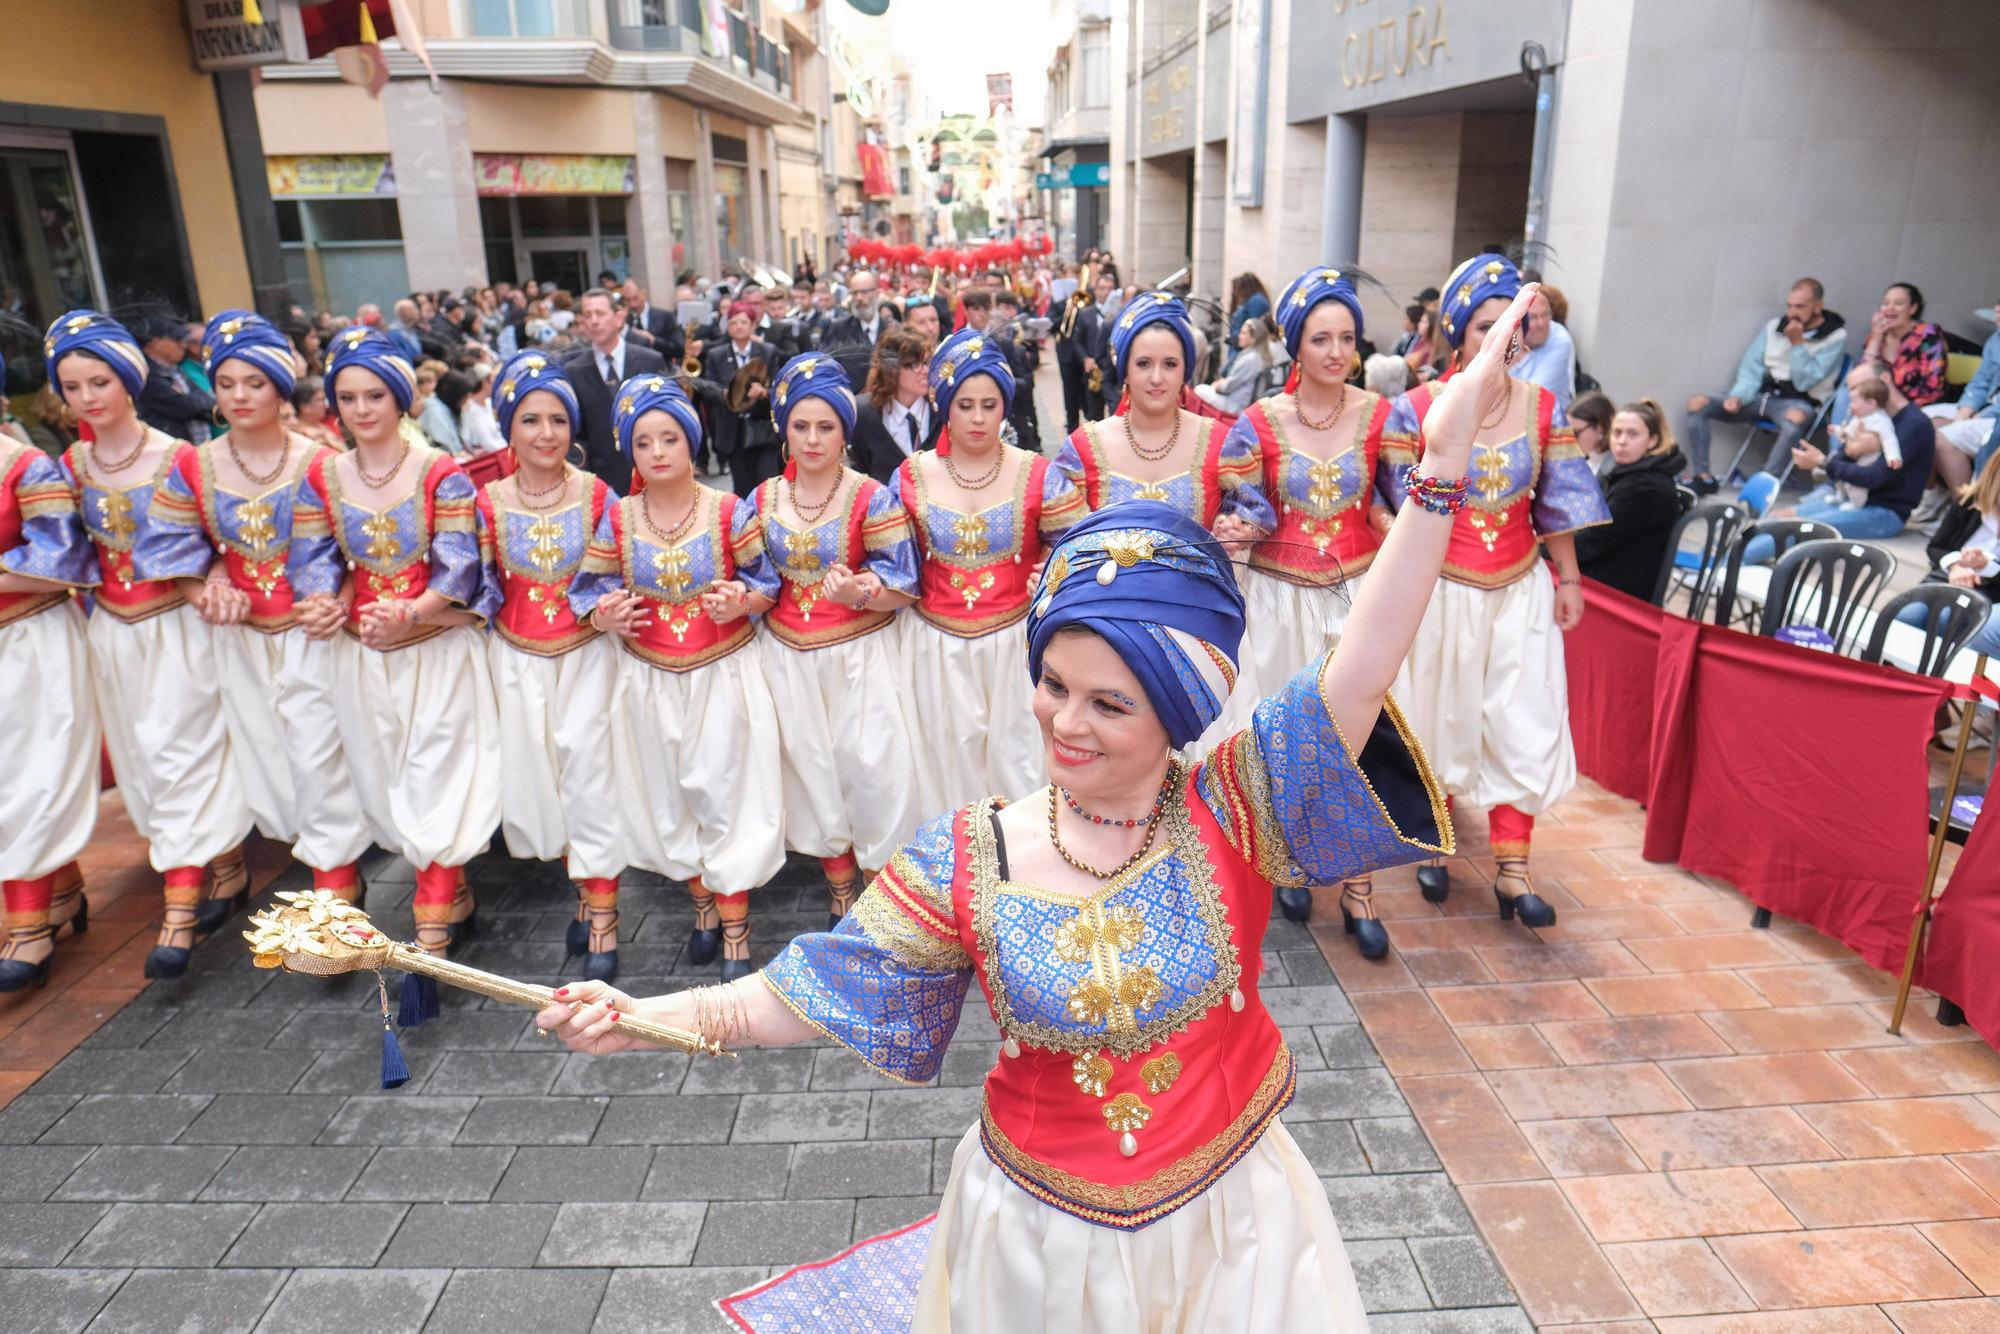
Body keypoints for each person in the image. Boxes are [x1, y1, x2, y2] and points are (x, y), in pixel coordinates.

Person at [531, 287, 1536, 1325]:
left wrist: (1440, 468)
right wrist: (646, 1018)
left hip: (1234, 1223)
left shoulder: (1236, 805)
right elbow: (793, 996)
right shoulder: (970, 853)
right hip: (1034, 1238)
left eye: (1108, 701)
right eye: (1052, 683)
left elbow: (1362, 663)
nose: (1064, 723)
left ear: (1179, 711)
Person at [1375, 254, 1611, 922]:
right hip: (1439, 592)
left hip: (1518, 588)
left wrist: (1567, 578)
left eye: (1513, 328)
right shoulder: (1414, 410)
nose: (1500, 341)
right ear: (1457, 332)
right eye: (1486, 327)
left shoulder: (1542, 408)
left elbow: (1557, 505)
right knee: (1439, 715)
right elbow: (1394, 512)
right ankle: (1431, 845)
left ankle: (1513, 867)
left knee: (1521, 719)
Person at [134, 310, 371, 912]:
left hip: (312, 635)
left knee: (320, 756)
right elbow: (169, 545)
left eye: (255, 382)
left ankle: (336, 885)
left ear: (279, 386)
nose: (240, 395)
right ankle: (315, 863)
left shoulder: (320, 461)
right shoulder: (193, 463)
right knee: (269, 757)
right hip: (237, 639)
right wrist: (206, 588)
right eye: (227, 382)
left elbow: (357, 550)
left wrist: (335, 605)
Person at [44, 311, 253, 978]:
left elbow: (224, 543)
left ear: (129, 379)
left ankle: (181, 907)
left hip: (177, 627)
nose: (87, 398)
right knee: (141, 760)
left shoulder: (180, 457)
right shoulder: (69, 465)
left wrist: (216, 575)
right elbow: (64, 551)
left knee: (183, 749)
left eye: (99, 381)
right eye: (72, 388)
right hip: (110, 631)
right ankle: (224, 866)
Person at [289, 328, 499, 958]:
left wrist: (412, 611)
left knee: (437, 772)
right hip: (364, 654)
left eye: (375, 395)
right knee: (384, 778)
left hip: (435, 649)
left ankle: (431, 914)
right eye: (347, 397)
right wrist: (324, 600)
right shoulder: (323, 475)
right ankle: (450, 887)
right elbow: (314, 556)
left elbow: (461, 566)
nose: (360, 410)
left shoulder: (440, 471)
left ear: (403, 398)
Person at [570, 375, 786, 982]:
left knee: (726, 797)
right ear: (630, 452)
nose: (659, 452)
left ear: (693, 443)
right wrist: (603, 613)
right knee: (671, 797)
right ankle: (702, 909)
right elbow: (585, 589)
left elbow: (767, 583)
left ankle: (738, 934)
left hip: (722, 677)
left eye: (670, 438)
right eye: (644, 442)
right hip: (648, 682)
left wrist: (740, 602)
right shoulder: (619, 518)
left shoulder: (727, 510)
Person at [1210, 266, 1396, 940]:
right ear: (1295, 344)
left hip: (1357, 598)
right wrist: (1236, 532)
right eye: (1322, 338)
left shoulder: (1381, 416)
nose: (1338, 352)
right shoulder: (1259, 422)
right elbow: (1245, 511)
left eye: (1348, 337)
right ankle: (1287, 864)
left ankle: (1359, 885)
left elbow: (1392, 508)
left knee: (1361, 733)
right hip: (1277, 597)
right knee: (1284, 734)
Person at [733, 355, 922, 936]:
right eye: (801, 426)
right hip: (787, 658)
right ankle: (839, 886)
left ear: (845, 431)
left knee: (872, 770)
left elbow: (905, 582)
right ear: (783, 430)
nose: (813, 439)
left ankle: (880, 888)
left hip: (861, 658)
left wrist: (863, 589)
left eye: (827, 427)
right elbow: (755, 581)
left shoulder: (872, 497)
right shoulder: (761, 500)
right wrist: (737, 600)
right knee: (811, 773)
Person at [471, 350, 626, 980]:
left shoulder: (599, 496)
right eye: (530, 420)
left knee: (590, 781)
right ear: (508, 427)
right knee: (542, 788)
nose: (546, 434)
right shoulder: (484, 501)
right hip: (514, 662)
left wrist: (614, 611)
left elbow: (619, 573)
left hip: (588, 658)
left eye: (558, 420)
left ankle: (607, 915)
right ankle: (581, 892)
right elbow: (474, 588)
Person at [896, 329, 1087, 814]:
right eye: (964, 404)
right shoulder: (911, 475)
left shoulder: (1038, 473)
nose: (978, 418)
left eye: (989, 404)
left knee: (1019, 762)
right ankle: (954, 873)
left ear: (1006, 404)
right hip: (935, 647)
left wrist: (1052, 574)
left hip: (1016, 645)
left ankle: (1018, 872)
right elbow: (892, 561)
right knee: (944, 761)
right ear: (944, 405)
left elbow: (1082, 550)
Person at [0, 419, 99, 990]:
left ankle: (30, 924)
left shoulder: (28, 466)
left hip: (27, 641)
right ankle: (59, 892)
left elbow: (64, 559)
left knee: (27, 777)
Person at [1055, 290, 1273, 544]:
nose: (1156, 378)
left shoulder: (1220, 442)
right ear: (1124, 370)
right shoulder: (1084, 448)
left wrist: (1237, 530)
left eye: (1170, 364)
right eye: (1144, 364)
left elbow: (1257, 512)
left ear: (1185, 372)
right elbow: (1061, 540)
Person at [1681, 278, 1848, 492]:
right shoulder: (1773, 328)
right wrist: (1739, 396)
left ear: (1818, 306)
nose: (1792, 312)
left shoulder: (1835, 336)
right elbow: (1751, 368)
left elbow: (1806, 380)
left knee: (1795, 419)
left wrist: (1797, 344)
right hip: (1761, 396)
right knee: (1698, 403)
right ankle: (1703, 477)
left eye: (1800, 306)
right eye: (1789, 306)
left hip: (1798, 401)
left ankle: (1764, 487)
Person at [1760, 385, 1935, 548]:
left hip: (1884, 511)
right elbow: (1839, 461)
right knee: (1779, 516)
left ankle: (1738, 561)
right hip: (1848, 500)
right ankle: (1737, 557)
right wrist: (1844, 453)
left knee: (1795, 528)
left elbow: (1873, 478)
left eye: (1856, 394)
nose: (1850, 405)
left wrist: (1824, 462)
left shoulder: (1910, 424)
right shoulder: (1864, 418)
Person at [1573, 398, 1688, 600]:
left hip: (1621, 591)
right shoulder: (1626, 472)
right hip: (1609, 569)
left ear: (1652, 440)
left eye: (1633, 434)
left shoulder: (1645, 487)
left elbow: (1591, 542)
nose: (1622, 441)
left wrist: (1541, 548)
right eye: (1617, 433)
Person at [563, 288, 670, 495]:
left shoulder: (649, 360)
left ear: (618, 317)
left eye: (600, 314)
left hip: (651, 476)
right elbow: (576, 433)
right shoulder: (574, 371)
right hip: (601, 483)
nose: (594, 321)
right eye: (587, 315)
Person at [1898, 446, 2000, 661]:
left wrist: (1984, 566)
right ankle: (1890, 674)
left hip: (1989, 592)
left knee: (1947, 617)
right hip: (1944, 578)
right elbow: (1935, 547)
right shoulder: (1969, 501)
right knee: (1907, 615)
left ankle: (1935, 682)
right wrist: (1956, 565)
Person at [701, 303, 785, 496]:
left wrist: (764, 392)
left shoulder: (767, 351)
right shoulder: (717, 355)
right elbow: (708, 387)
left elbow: (780, 388)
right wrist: (726, 394)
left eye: (743, 322)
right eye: (733, 322)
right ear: (727, 326)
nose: (738, 327)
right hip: (734, 431)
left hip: (763, 429)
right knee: (742, 487)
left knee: (769, 487)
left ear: (753, 325)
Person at [851, 328, 939, 485]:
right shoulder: (862, 413)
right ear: (891, 369)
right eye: (914, 364)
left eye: (926, 362)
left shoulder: (941, 409)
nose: (925, 371)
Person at [1928, 309, 2000, 492]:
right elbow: (1981, 381)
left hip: (1994, 417)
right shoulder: (1995, 339)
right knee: (1921, 422)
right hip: (1985, 406)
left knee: (1943, 438)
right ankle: (1932, 497)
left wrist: (1981, 415)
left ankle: (1964, 508)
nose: (1996, 310)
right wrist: (1965, 411)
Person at [134, 314, 216, 444]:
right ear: (155, 342)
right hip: (170, 453)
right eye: (177, 339)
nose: (183, 345)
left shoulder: (173, 368)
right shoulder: (146, 376)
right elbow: (187, 406)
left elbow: (204, 397)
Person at [1825, 378, 1902, 510]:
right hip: (1853, 456)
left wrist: (1893, 456)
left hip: (1867, 460)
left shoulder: (1881, 421)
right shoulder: (1858, 418)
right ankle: (1840, 495)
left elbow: (1889, 440)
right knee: (1840, 476)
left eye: (1854, 402)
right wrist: (1837, 431)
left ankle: (1855, 504)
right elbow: (1847, 434)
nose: (1850, 405)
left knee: (1855, 484)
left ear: (1871, 404)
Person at [1194, 314, 1288, 415]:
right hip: (1243, 401)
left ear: (1254, 338)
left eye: (1243, 333)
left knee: (1199, 389)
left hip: (1235, 405)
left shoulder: (1250, 359)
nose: (1239, 336)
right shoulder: (1260, 355)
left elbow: (1227, 387)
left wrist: (1217, 385)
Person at [1511, 289, 1577, 414]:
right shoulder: (1510, 336)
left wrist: (1518, 357)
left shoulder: (1560, 339)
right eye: (1532, 317)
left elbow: (1532, 397)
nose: (1541, 324)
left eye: (1546, 315)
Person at [620, 280, 684, 365]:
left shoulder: (665, 316)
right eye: (628, 300)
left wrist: (654, 340)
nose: (632, 304)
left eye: (636, 298)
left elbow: (678, 349)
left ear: (643, 293)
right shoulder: (624, 320)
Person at [458, 362, 505, 454]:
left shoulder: (488, 402)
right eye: (493, 380)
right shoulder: (470, 409)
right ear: (485, 382)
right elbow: (488, 444)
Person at [1567, 390, 1616, 474]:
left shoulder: (1617, 469)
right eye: (1566, 434)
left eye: (1575, 433)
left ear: (1601, 429)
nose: (1569, 440)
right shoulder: (1577, 465)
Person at [290, 375, 344, 451]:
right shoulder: (303, 436)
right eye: (321, 400)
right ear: (305, 408)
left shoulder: (320, 427)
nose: (326, 404)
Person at [1225, 271, 1271, 349]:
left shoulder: (1256, 301)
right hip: (1240, 345)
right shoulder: (1251, 301)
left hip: (1244, 347)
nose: (1236, 292)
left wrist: (1236, 338)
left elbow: (1255, 327)